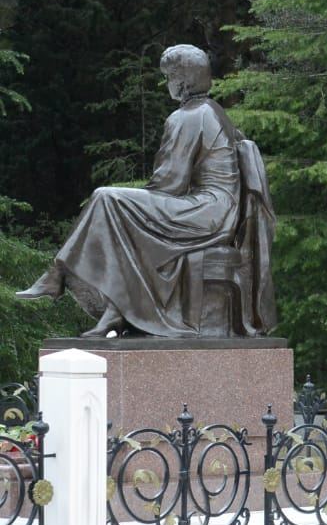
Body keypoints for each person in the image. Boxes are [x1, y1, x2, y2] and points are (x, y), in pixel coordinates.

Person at [15, 44, 275, 337]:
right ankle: (114, 308)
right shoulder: (212, 111)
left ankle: (60, 274)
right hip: (216, 211)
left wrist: (137, 202)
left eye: (168, 78)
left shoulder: (188, 116)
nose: (167, 85)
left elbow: (169, 183)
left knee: (107, 198)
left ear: (182, 81)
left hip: (206, 211)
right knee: (115, 206)